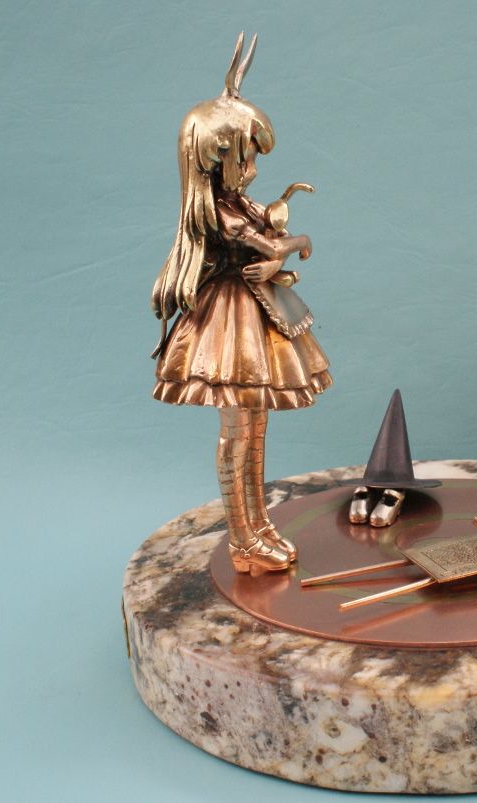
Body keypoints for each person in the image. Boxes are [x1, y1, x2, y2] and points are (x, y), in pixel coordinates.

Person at [150, 34, 331, 572]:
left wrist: (279, 251)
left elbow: (270, 248)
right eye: (244, 157)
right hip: (230, 320)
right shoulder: (221, 214)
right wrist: (296, 244)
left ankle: (257, 524)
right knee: (238, 431)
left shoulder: (239, 202)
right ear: (216, 158)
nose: (251, 168)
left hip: (251, 309)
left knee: (254, 426)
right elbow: (272, 247)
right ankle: (242, 537)